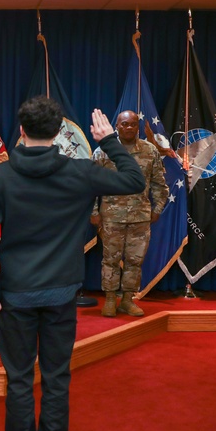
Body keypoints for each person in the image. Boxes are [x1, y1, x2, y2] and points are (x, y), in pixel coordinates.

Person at [0, 97, 145, 431]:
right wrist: (108, 142)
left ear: (21, 131)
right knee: (55, 377)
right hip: (61, 294)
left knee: (18, 379)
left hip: (15, 293)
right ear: (59, 134)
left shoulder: (0, 177)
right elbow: (134, 180)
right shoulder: (80, 172)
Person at [91, 110, 168, 317]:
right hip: (111, 217)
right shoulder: (103, 152)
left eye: (133, 124)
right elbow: (91, 185)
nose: (128, 128)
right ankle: (109, 299)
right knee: (110, 259)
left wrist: (157, 208)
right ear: (116, 126)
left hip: (140, 217)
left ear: (138, 126)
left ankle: (126, 300)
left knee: (135, 261)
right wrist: (94, 211)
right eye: (124, 124)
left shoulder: (150, 151)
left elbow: (160, 184)